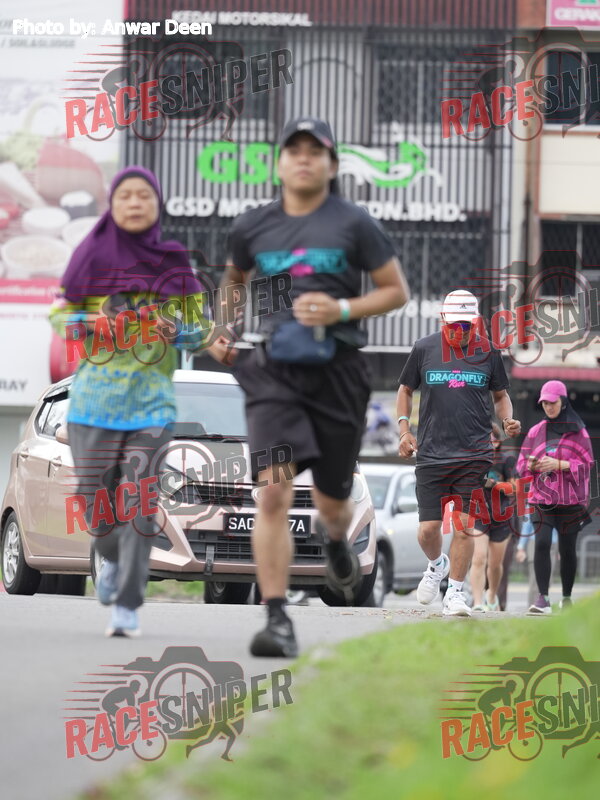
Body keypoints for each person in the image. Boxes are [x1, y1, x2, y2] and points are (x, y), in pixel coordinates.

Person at [212, 117, 410, 657]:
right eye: (293, 149)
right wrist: (223, 328)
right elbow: (233, 283)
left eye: (314, 151)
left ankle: (334, 539)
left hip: (339, 372)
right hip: (274, 374)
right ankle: (277, 618)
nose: (303, 158)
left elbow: (395, 291)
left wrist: (341, 307)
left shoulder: (354, 223)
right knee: (273, 491)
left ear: (331, 164)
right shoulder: (252, 226)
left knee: (333, 502)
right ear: (278, 162)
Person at [49, 166, 212, 637]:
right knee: (94, 504)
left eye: (145, 195)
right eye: (126, 196)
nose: (136, 203)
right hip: (93, 405)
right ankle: (111, 555)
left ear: (158, 205)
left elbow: (201, 332)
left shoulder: (173, 260)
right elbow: (59, 315)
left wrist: (177, 329)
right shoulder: (90, 255)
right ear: (113, 205)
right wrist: (91, 326)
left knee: (140, 504)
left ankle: (127, 604)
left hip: (151, 406)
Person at [397, 289, 521, 617]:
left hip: (474, 454)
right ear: (443, 320)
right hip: (431, 453)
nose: (460, 331)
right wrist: (404, 431)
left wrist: (506, 419)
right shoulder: (424, 348)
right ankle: (437, 564)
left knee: (465, 527)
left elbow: (501, 396)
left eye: (467, 325)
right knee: (428, 530)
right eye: (454, 325)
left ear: (476, 322)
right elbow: (405, 390)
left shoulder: (489, 352)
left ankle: (454, 593)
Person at [516, 380, 594, 614]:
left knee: (567, 549)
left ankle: (567, 597)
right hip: (541, 498)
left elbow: (587, 466)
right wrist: (531, 465)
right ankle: (543, 598)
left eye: (553, 402)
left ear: (564, 401)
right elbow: (521, 464)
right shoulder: (536, 431)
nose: (549, 407)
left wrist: (560, 464)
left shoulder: (579, 432)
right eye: (545, 403)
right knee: (541, 543)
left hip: (571, 501)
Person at [470, 422, 516, 612]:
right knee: (478, 558)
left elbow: (514, 488)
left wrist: (494, 485)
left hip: (501, 515)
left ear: (497, 442)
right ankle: (477, 602)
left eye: (489, 439)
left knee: (495, 565)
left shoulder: (506, 460)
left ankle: (491, 595)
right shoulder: (474, 460)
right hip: (479, 513)